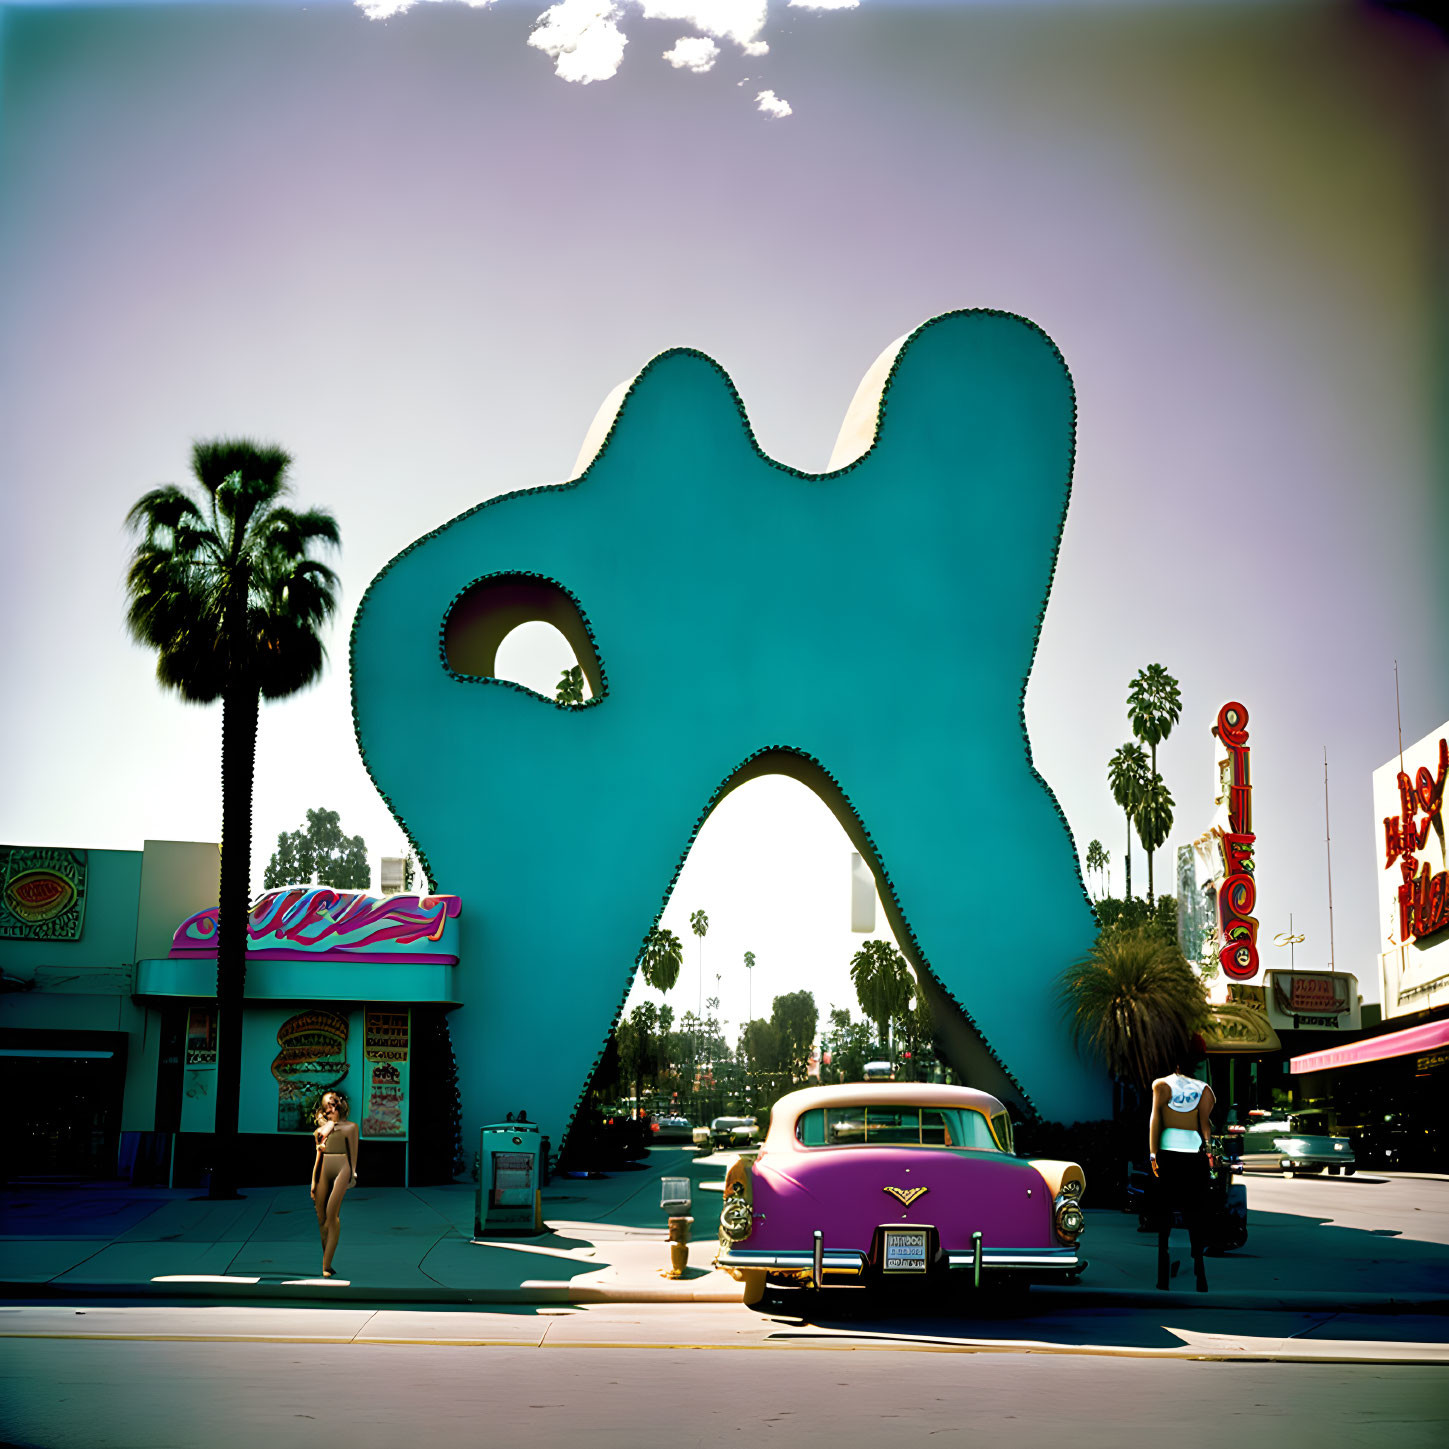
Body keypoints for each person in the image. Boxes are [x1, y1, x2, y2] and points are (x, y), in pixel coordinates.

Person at [1148, 1047, 1215, 1292]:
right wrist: (1209, 1152)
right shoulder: (1204, 1089)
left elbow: (1156, 1119)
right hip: (1194, 1155)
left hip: (1168, 1155)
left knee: (1164, 1217)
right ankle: (1199, 1272)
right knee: (1195, 1215)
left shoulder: (1161, 1086)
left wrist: (1153, 1153)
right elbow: (1204, 1125)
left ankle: (1164, 1277)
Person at [311, 1090, 359, 1278]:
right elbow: (318, 1156)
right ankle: (327, 1259)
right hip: (324, 1168)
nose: (331, 1107)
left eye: (334, 1103)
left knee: (332, 1215)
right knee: (321, 1218)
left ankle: (326, 1264)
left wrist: (353, 1173)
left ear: (341, 1104)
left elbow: (353, 1152)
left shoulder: (351, 1128)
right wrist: (313, 1181)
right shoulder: (321, 1131)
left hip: (342, 1166)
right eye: (327, 1104)